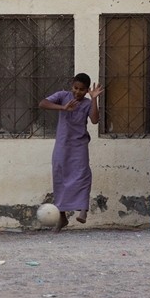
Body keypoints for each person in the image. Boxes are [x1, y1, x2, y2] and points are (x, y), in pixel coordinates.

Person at [38, 73, 103, 232]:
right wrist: (63, 107)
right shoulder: (62, 96)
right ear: (71, 86)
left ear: (87, 90)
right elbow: (43, 103)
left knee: (82, 175)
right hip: (62, 144)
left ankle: (83, 210)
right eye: (75, 88)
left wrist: (94, 99)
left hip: (79, 145)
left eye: (82, 89)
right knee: (60, 176)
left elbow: (95, 120)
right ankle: (62, 217)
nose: (77, 92)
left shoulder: (87, 103)